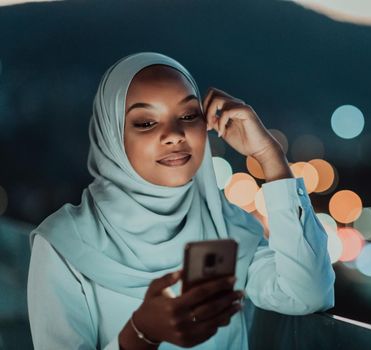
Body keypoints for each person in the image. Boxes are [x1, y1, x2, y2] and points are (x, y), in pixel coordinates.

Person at [27, 52, 335, 349]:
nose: (174, 135)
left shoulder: (226, 224)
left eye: (188, 116)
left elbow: (308, 293)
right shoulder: (64, 243)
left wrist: (270, 156)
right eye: (146, 122)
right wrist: (140, 335)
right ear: (112, 137)